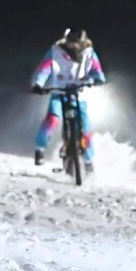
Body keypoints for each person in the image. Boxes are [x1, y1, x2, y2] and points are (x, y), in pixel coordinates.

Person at [30, 27, 106, 172]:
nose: (74, 47)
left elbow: (97, 70)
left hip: (80, 93)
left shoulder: (89, 54)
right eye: (72, 44)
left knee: (84, 128)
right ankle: (40, 149)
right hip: (59, 91)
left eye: (77, 44)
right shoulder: (56, 52)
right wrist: (38, 84)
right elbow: (45, 69)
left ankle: (88, 160)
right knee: (52, 119)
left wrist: (99, 79)